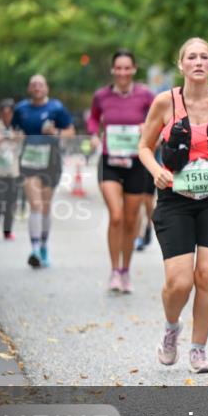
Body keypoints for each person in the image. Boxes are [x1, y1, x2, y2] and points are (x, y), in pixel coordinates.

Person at [138, 38, 208, 374]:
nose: (198, 62)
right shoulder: (164, 103)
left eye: (204, 57)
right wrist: (156, 170)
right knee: (180, 281)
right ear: (181, 64)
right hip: (175, 199)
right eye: (191, 57)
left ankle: (199, 350)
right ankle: (172, 328)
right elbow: (144, 147)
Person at [88, 50, 156, 293]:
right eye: (119, 68)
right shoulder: (101, 96)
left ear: (134, 69)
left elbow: (159, 120)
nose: (123, 72)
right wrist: (94, 137)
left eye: (127, 68)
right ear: (112, 70)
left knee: (130, 221)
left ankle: (126, 271)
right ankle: (114, 270)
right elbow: (93, 120)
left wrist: (146, 127)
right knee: (116, 216)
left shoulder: (146, 95)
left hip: (136, 163)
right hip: (110, 161)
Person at [12, 75, 75, 268]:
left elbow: (71, 132)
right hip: (29, 162)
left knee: (46, 207)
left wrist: (56, 133)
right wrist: (17, 136)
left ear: (47, 88)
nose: (37, 87)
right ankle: (35, 249)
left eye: (41, 84)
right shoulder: (21, 109)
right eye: (34, 85)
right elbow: (13, 131)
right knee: (36, 205)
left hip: (51, 163)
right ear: (29, 89)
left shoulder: (56, 108)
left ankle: (44, 246)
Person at [0, 100, 22, 240]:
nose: (7, 115)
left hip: (13, 171)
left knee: (11, 203)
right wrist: (1, 139)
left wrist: (13, 136)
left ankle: (7, 231)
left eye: (10, 112)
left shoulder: (18, 124)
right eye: (4, 112)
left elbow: (24, 138)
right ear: (0, 112)